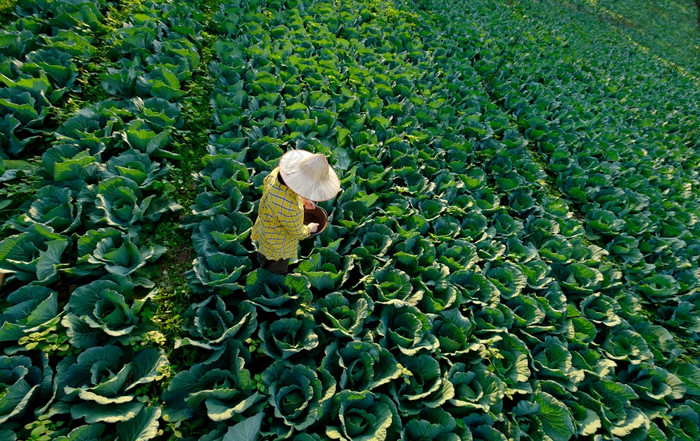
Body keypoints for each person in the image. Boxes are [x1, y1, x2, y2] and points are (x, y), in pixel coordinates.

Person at [251, 149, 341, 275]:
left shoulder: (275, 174)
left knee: (265, 254)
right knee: (275, 269)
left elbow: (287, 188)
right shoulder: (290, 207)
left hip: (265, 227)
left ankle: (264, 261)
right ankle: (269, 275)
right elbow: (298, 232)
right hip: (278, 244)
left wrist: (304, 199)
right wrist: (309, 228)